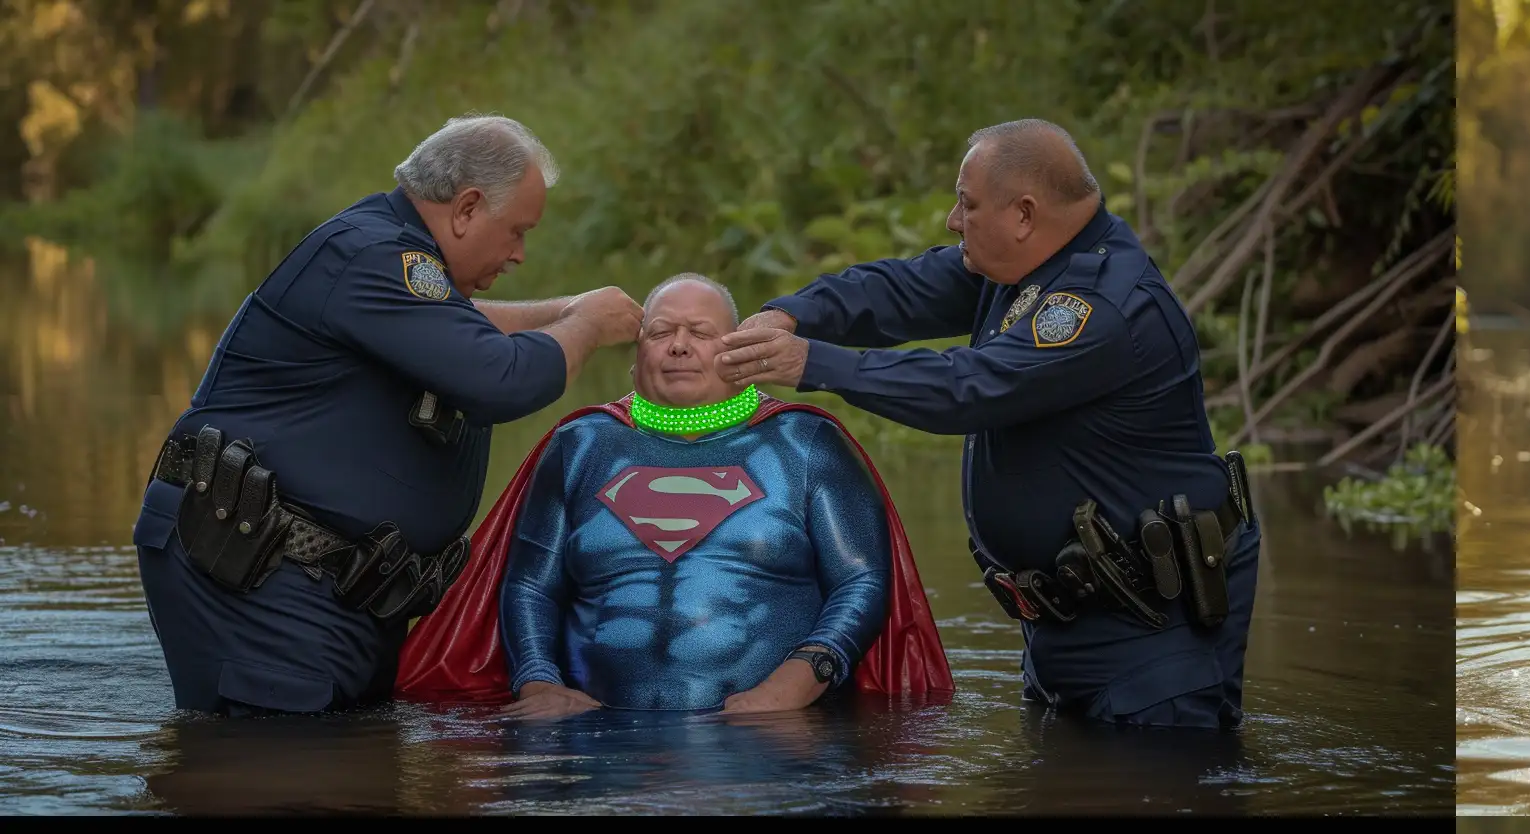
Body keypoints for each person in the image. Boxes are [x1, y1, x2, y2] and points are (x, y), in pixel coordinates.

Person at [716, 118, 1258, 729]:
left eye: (967, 204)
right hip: (1068, 622)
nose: (953, 220)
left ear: (1024, 214)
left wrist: (810, 362)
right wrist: (790, 314)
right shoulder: (1025, 268)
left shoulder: (1104, 307)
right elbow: (901, 289)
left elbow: (968, 388)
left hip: (1152, 639)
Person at [135, 115, 640, 713]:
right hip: (258, 574)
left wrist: (568, 307)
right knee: (274, 769)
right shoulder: (370, 255)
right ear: (467, 208)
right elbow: (496, 378)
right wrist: (584, 327)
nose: (520, 254)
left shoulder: (387, 257)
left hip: (329, 587)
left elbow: (459, 328)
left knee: (347, 772)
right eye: (515, 232)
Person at [389, 274, 952, 712]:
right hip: (597, 735)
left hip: (772, 737)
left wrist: (798, 684)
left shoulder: (805, 442)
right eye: (660, 332)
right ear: (636, 359)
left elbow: (862, 580)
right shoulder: (579, 444)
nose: (679, 346)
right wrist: (538, 684)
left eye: (701, 334)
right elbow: (531, 584)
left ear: (742, 351)